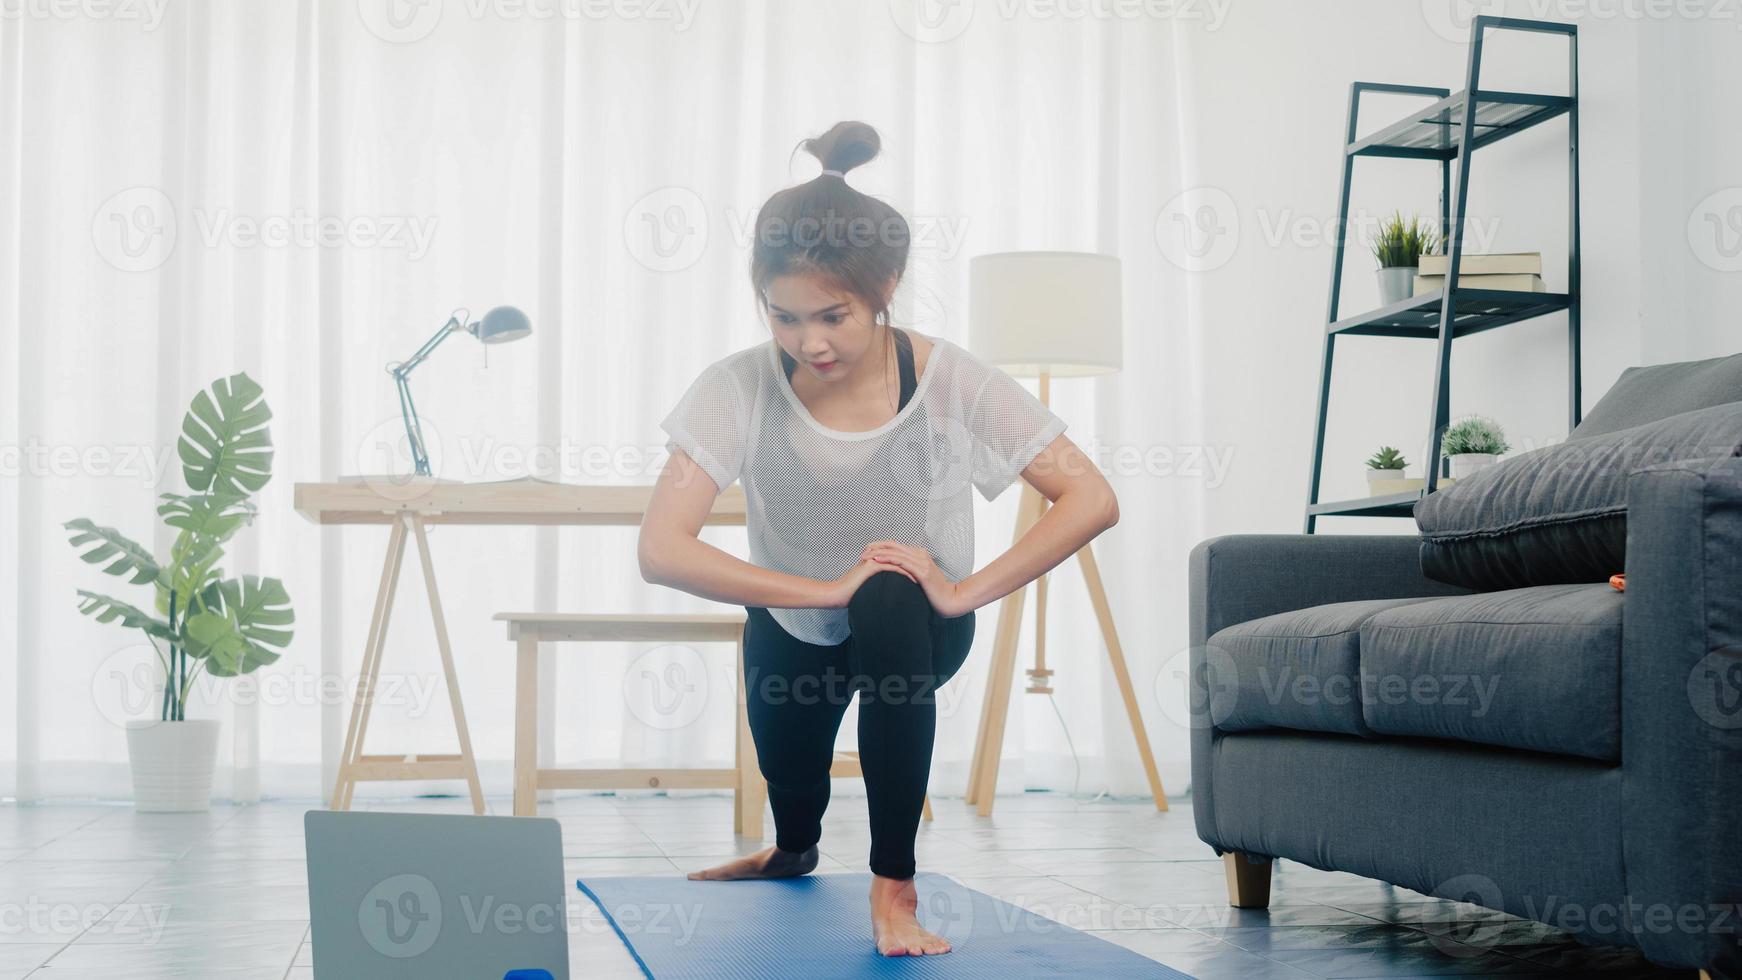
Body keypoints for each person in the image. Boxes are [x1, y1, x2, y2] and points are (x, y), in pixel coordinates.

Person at [636, 120, 1120, 958]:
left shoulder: (947, 376)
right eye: (784, 317)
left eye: (834, 315)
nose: (810, 342)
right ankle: (790, 848)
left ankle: (895, 887)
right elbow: (662, 548)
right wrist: (825, 589)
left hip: (918, 626)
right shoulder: (738, 386)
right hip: (793, 622)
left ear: (885, 286)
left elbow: (1091, 494)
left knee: (890, 592)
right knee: (794, 796)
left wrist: (963, 590)